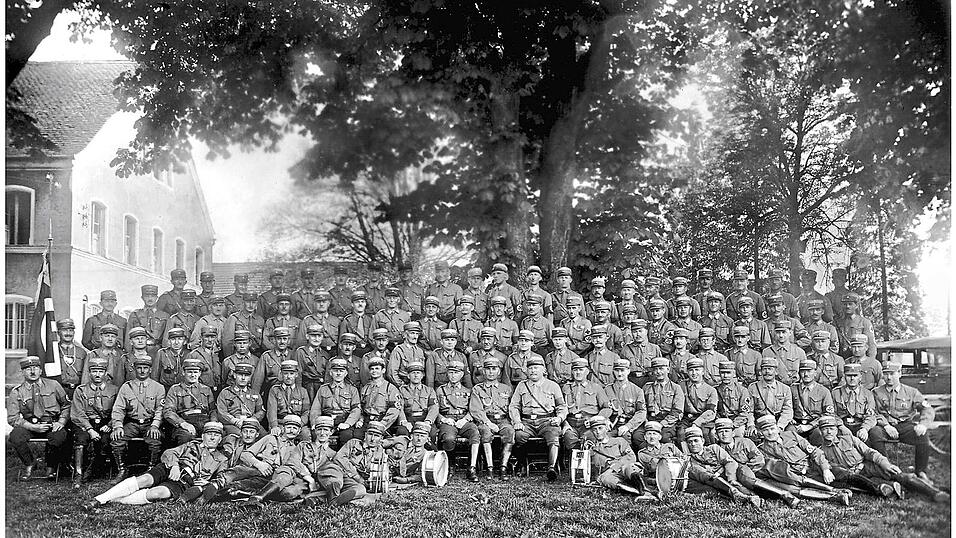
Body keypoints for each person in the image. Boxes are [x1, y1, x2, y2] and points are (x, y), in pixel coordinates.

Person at [82, 421, 228, 509]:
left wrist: (205, 483)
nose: (212, 437)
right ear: (203, 436)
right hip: (170, 468)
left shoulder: (221, 459)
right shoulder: (191, 444)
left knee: (157, 493)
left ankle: (113, 499)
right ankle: (99, 500)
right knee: (144, 480)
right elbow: (169, 453)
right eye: (209, 434)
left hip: (185, 482)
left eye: (216, 435)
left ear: (220, 439)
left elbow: (222, 478)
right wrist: (175, 466)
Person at [817, 415, 949, 503]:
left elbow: (869, 452)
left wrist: (885, 464)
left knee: (897, 474)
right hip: (855, 477)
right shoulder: (821, 451)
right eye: (825, 429)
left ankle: (934, 493)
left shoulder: (849, 438)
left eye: (831, 429)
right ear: (820, 432)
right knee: (875, 485)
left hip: (867, 466)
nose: (828, 432)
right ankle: (893, 489)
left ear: (836, 430)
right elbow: (834, 470)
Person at [754, 414, 850, 505]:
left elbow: (813, 451)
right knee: (803, 487)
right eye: (766, 430)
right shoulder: (762, 450)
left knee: (843, 474)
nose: (770, 433)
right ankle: (836, 493)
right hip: (798, 477)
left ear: (777, 428)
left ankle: (861, 489)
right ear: (761, 432)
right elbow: (780, 470)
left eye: (772, 428)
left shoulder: (791, 435)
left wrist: (825, 469)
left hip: (814, 466)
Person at [870, 362, 935, 483]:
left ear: (899, 374)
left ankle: (921, 472)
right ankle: (886, 469)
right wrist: (886, 425)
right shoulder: (876, 392)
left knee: (922, 435)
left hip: (905, 426)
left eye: (892, 374)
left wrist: (923, 424)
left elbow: (927, 408)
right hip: (885, 426)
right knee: (874, 433)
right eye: (886, 374)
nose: (889, 377)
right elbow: (873, 412)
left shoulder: (911, 392)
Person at [713, 417, 801, 507]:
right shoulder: (716, 450)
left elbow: (758, 459)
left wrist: (748, 471)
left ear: (733, 433)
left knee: (789, 480)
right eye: (721, 432)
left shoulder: (745, 442)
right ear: (716, 435)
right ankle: (785, 496)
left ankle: (796, 492)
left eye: (727, 431)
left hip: (758, 471)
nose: (724, 434)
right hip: (742, 479)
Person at [7, 356, 71, 479]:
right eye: (28, 369)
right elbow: (12, 417)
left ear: (40, 371)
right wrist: (32, 427)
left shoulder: (54, 385)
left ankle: (51, 467)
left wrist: (61, 422)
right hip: (30, 426)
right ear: (22, 372)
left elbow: (66, 406)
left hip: (52, 424)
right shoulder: (17, 392)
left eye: (35, 368)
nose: (32, 371)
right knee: (15, 437)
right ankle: (30, 463)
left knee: (58, 437)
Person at [509, 355, 568, 481]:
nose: (533, 371)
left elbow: (562, 406)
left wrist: (559, 418)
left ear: (543, 370)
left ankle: (551, 468)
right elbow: (514, 406)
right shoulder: (521, 385)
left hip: (546, 421)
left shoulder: (553, 386)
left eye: (536, 368)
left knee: (554, 434)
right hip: (527, 421)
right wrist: (517, 421)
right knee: (519, 435)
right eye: (530, 368)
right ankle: (523, 465)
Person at [110, 356, 167, 482]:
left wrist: (155, 426)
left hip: (149, 423)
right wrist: (118, 426)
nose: (142, 371)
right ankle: (122, 470)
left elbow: (160, 410)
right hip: (132, 423)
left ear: (150, 370)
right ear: (134, 369)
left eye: (145, 368)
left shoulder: (158, 387)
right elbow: (118, 408)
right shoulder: (126, 387)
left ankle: (151, 471)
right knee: (117, 438)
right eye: (139, 368)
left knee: (155, 439)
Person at [238, 415, 311, 507]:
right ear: (283, 428)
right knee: (238, 484)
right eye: (289, 427)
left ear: (299, 431)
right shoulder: (270, 439)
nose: (291, 430)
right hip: (263, 474)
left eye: (295, 428)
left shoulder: (297, 449)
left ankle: (256, 497)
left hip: (282, 480)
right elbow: (245, 454)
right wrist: (259, 464)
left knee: (289, 492)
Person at [70, 356, 119, 488]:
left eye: (100, 371)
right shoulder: (81, 390)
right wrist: (90, 429)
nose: (97, 374)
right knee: (81, 440)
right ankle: (78, 474)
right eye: (94, 371)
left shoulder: (114, 390)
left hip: (105, 423)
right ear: (89, 372)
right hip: (85, 422)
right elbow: (77, 413)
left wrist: (110, 424)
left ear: (105, 373)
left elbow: (118, 409)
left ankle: (94, 469)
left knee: (105, 440)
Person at [683, 426, 762, 507]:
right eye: (690, 442)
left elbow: (730, 462)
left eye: (696, 441)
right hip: (716, 483)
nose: (693, 444)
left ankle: (758, 495)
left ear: (702, 441)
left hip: (731, 475)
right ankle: (748, 499)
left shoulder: (714, 448)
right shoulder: (690, 460)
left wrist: (731, 479)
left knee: (748, 482)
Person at [470, 356, 516, 480]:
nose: (491, 372)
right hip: (485, 419)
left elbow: (513, 407)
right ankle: (489, 468)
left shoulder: (506, 389)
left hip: (503, 419)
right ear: (483, 371)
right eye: (488, 369)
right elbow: (476, 410)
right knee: (485, 432)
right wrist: (488, 423)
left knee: (510, 432)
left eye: (494, 369)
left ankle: (503, 467)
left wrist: (514, 420)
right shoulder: (477, 389)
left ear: (499, 371)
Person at [586, 415, 654, 498]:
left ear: (606, 428)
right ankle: (636, 492)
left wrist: (614, 468)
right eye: (594, 429)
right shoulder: (592, 449)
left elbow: (631, 456)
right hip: (610, 476)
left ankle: (646, 491)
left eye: (600, 428)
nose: (598, 432)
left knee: (630, 467)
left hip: (624, 469)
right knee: (605, 479)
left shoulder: (618, 441)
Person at [435, 359, 481, 481]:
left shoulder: (468, 391)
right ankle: (450, 465)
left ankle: (471, 468)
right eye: (450, 372)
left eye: (456, 373)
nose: (453, 375)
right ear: (447, 374)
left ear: (461, 374)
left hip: (463, 420)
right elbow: (435, 409)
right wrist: (444, 419)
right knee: (448, 438)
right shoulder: (440, 390)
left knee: (475, 433)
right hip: (448, 419)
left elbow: (473, 410)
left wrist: (465, 419)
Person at [560, 358, 612, 452]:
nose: (578, 372)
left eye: (581, 370)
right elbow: (560, 407)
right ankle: (573, 465)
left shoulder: (596, 388)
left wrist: (595, 420)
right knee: (569, 439)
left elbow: (607, 408)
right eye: (575, 370)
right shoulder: (566, 388)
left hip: (589, 424)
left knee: (589, 440)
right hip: (571, 423)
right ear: (572, 372)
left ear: (587, 371)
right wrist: (565, 424)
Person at [164, 358, 218, 446]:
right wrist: (183, 423)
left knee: (215, 437)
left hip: (204, 421)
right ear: (183, 372)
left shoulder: (206, 389)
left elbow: (213, 410)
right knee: (186, 437)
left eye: (196, 372)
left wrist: (213, 423)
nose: (193, 375)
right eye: (189, 372)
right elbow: (168, 411)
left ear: (200, 373)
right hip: (185, 421)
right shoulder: (175, 389)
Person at [309, 357, 362, 446]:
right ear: (330, 373)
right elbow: (316, 408)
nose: (338, 373)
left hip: (343, 420)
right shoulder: (323, 389)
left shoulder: (352, 390)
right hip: (326, 420)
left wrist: (348, 423)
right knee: (316, 435)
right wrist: (315, 423)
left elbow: (356, 409)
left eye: (341, 371)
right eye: (335, 370)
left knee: (346, 435)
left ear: (345, 373)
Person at [638, 357, 684, 448]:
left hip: (667, 422)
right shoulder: (646, 387)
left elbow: (677, 412)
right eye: (655, 369)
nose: (658, 372)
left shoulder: (676, 388)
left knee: (664, 437)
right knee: (638, 436)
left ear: (668, 369)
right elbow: (642, 407)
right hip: (649, 420)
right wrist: (647, 421)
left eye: (661, 368)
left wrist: (662, 424)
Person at [216, 362, 265, 446]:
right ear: (234, 375)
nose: (243, 378)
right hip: (233, 425)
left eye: (246, 375)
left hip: (251, 423)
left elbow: (261, 411)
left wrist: (252, 419)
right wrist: (235, 421)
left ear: (250, 377)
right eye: (240, 375)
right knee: (240, 435)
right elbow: (221, 412)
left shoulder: (255, 394)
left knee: (265, 436)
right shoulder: (225, 393)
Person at [605, 357, 647, 451]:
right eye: (617, 370)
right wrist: (606, 420)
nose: (619, 374)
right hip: (613, 424)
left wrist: (628, 426)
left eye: (622, 370)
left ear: (628, 371)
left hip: (630, 423)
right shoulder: (607, 390)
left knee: (634, 438)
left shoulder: (637, 390)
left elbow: (641, 412)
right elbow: (602, 408)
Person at [830, 363, 878, 442]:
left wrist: (864, 429)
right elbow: (832, 414)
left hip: (860, 425)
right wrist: (841, 426)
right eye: (849, 376)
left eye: (855, 375)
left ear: (860, 377)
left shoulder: (867, 394)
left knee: (868, 443)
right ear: (844, 377)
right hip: (841, 425)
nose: (852, 378)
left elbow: (871, 415)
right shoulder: (835, 393)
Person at [790, 359, 834, 444]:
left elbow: (828, 413)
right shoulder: (792, 389)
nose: (806, 374)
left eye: (809, 371)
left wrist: (810, 426)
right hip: (797, 423)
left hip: (815, 424)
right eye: (803, 371)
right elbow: (787, 407)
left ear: (815, 373)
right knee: (789, 433)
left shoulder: (824, 391)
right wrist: (790, 418)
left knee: (819, 434)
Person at [267, 360, 312, 442]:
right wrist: (274, 426)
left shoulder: (303, 391)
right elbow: (271, 411)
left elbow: (306, 412)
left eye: (291, 374)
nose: (288, 376)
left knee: (306, 434)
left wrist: (299, 424)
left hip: (297, 424)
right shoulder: (274, 390)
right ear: (281, 374)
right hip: (281, 423)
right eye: (286, 373)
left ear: (296, 374)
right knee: (275, 436)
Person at [357, 356, 402, 438]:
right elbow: (360, 407)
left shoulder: (390, 388)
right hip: (367, 422)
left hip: (382, 422)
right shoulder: (365, 388)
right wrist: (360, 420)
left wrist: (383, 424)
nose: (374, 371)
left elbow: (394, 409)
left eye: (377, 368)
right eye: (372, 369)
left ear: (383, 370)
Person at [748, 357, 794, 436]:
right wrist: (751, 425)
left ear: (776, 371)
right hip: (760, 422)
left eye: (770, 369)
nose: (767, 372)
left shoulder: (785, 389)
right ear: (761, 371)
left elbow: (787, 410)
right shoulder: (753, 387)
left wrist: (780, 426)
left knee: (790, 433)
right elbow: (749, 410)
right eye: (764, 369)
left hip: (777, 421)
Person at [678, 357, 717, 444]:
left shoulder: (710, 390)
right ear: (687, 372)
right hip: (686, 419)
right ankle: (686, 455)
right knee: (681, 434)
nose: (694, 373)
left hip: (703, 419)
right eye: (691, 370)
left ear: (703, 372)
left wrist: (696, 423)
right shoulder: (681, 386)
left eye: (697, 370)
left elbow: (711, 411)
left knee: (705, 434)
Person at [396, 361, 439, 437]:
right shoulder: (402, 390)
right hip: (408, 419)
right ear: (408, 376)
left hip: (424, 418)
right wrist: (404, 422)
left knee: (432, 433)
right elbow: (399, 408)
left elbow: (434, 407)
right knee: (402, 432)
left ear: (422, 375)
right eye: (413, 373)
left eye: (418, 373)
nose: (416, 375)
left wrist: (428, 421)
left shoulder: (429, 390)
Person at [126, 284, 169, 355]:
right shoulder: (135, 315)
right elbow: (128, 337)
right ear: (142, 298)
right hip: (138, 351)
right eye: (147, 296)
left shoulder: (165, 316)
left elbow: (166, 339)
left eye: (152, 296)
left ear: (157, 298)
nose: (150, 299)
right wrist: (129, 354)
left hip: (157, 351)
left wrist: (164, 354)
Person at [715, 361, 754, 440]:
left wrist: (733, 424)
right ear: (719, 374)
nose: (725, 376)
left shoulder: (742, 391)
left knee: (738, 434)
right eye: (723, 373)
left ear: (734, 374)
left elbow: (744, 412)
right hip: (720, 421)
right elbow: (713, 410)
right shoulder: (715, 390)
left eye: (728, 373)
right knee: (713, 434)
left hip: (737, 422)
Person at [620, 319, 662, 388]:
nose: (638, 334)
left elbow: (660, 367)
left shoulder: (654, 348)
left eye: (640, 331)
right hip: (632, 382)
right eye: (635, 331)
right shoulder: (626, 349)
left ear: (646, 332)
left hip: (650, 382)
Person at [253, 326, 293, 396]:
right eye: (279, 339)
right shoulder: (266, 356)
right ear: (274, 340)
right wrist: (255, 397)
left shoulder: (293, 355)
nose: (282, 342)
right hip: (270, 393)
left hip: (290, 393)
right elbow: (257, 380)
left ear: (288, 340)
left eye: (284, 339)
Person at [294, 324, 331, 402]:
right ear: (307, 336)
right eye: (313, 336)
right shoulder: (301, 352)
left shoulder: (325, 354)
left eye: (319, 336)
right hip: (307, 387)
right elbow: (298, 373)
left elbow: (327, 375)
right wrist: (298, 391)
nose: (316, 339)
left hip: (321, 387)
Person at [762, 320, 806, 384]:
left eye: (784, 332)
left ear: (790, 333)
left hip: (793, 387)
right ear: (774, 333)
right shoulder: (767, 352)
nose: (781, 335)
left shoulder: (799, 352)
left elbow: (804, 373)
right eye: (778, 332)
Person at [223, 292, 266, 357]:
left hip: (256, 357)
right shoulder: (234, 318)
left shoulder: (260, 320)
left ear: (257, 303)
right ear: (243, 302)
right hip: (238, 356)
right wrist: (230, 359)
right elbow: (227, 343)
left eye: (253, 302)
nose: (251, 305)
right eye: (248, 302)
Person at [296, 289, 339, 355]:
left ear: (328, 303)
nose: (321, 304)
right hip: (315, 354)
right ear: (314, 303)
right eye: (318, 302)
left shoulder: (337, 321)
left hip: (334, 353)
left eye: (324, 301)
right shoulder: (307, 321)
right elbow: (301, 343)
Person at [836, 293, 877, 360]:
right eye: (845, 304)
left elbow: (871, 345)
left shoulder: (864, 322)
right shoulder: (838, 323)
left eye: (850, 304)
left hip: (859, 358)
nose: (847, 306)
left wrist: (870, 362)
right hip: (842, 359)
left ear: (856, 306)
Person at [53, 318, 87, 398]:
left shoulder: (82, 352)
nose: (68, 333)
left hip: (78, 391)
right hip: (58, 390)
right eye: (65, 330)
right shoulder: (53, 352)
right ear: (58, 333)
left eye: (71, 330)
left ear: (74, 332)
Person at [387, 321, 428, 386]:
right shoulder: (398, 350)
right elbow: (391, 373)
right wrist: (402, 386)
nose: (415, 337)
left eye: (417, 334)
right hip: (403, 385)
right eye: (412, 333)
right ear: (405, 335)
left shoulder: (420, 351)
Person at [186, 327, 224, 393]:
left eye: (212, 337)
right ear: (201, 338)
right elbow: (186, 377)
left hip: (218, 391)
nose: (210, 340)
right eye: (206, 337)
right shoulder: (194, 355)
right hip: (200, 392)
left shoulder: (219, 354)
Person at [340, 290, 376, 356]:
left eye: (362, 302)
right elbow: (341, 342)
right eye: (357, 302)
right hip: (353, 352)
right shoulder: (347, 321)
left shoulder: (371, 320)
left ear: (365, 304)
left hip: (369, 351)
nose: (360, 304)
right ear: (352, 304)